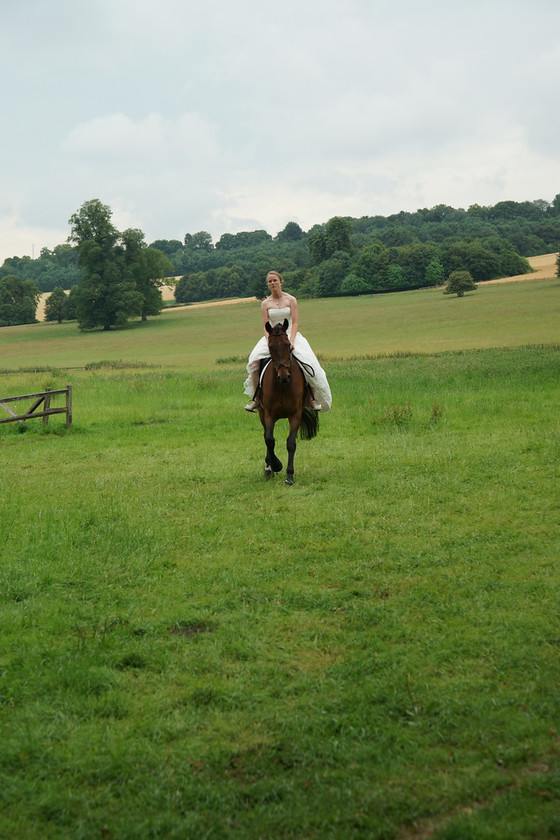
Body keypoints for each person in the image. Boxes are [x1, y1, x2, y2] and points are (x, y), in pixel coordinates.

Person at [244, 270, 332, 412]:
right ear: (267, 285)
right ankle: (257, 399)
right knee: (253, 361)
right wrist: (268, 341)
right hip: (272, 336)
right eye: (270, 281)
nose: (272, 283)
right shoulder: (265, 304)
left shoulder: (291, 300)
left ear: (281, 282)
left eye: (275, 280)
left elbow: (295, 322)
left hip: (290, 334)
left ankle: (311, 399)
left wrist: (291, 341)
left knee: (308, 360)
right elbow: (265, 326)